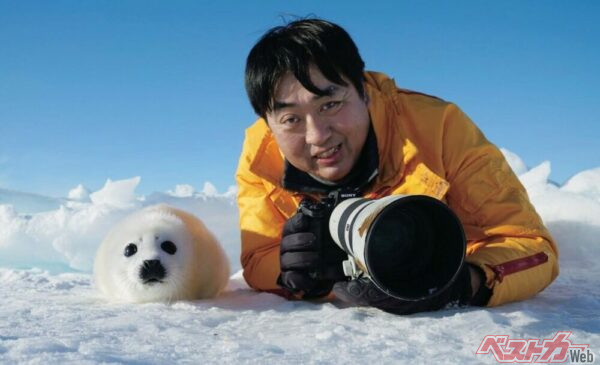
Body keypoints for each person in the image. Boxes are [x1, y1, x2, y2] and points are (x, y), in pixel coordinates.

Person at [236, 18, 559, 314]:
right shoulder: (262, 159)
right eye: (290, 119)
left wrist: (463, 283)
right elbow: (257, 260)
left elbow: (533, 248)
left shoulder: (437, 129)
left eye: (331, 104)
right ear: (268, 123)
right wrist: (297, 271)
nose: (317, 136)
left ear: (363, 92)